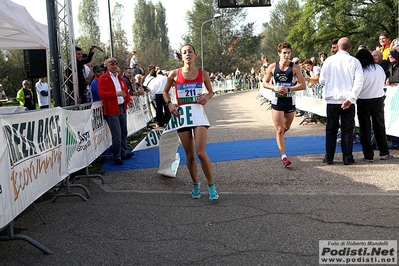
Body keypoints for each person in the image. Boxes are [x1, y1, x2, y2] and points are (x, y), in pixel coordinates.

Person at [163, 44, 218, 201]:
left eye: (190, 52)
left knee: (201, 152)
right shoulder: (174, 74)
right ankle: (195, 184)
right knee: (190, 155)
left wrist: (207, 97)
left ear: (195, 55)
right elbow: (165, 92)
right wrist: (170, 104)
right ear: (181, 56)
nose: (188, 54)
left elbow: (211, 91)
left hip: (198, 114)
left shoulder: (203, 74)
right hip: (183, 116)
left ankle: (211, 184)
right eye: (184, 52)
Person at [319, 37, 364, 165]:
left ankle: (329, 157)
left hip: (332, 100)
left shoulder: (328, 61)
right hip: (347, 100)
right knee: (348, 130)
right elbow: (359, 82)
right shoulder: (354, 61)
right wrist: (351, 98)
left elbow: (322, 80)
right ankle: (347, 157)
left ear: (337, 47)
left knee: (331, 130)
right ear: (349, 48)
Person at [262, 42, 306, 167]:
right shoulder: (272, 67)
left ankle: (279, 139)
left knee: (286, 127)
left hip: (290, 102)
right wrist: (274, 87)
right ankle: (284, 156)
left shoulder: (295, 68)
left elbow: (302, 85)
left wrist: (288, 89)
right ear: (279, 53)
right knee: (280, 129)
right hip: (277, 102)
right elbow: (265, 83)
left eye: (289, 53)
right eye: (284, 53)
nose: (287, 56)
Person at [354, 49, 392, 161]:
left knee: (364, 128)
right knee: (379, 126)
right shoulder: (379, 68)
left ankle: (368, 154)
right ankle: (384, 152)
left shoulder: (360, 70)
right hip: (378, 99)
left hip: (363, 99)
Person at [98, 57, 134, 165]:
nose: (114, 65)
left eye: (115, 63)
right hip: (111, 109)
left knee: (124, 131)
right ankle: (117, 156)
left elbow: (125, 92)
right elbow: (101, 93)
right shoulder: (103, 78)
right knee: (117, 134)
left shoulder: (120, 78)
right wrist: (115, 94)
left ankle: (123, 153)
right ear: (107, 65)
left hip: (122, 107)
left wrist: (128, 100)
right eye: (111, 63)